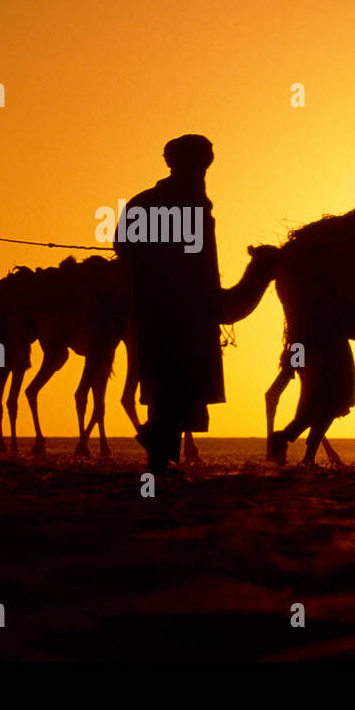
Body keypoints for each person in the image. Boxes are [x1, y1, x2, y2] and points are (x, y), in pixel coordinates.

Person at [115, 134, 224, 473]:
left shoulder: (182, 202)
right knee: (169, 383)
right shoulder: (153, 203)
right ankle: (157, 454)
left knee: (182, 385)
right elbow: (125, 246)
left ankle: (159, 454)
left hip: (185, 309)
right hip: (165, 310)